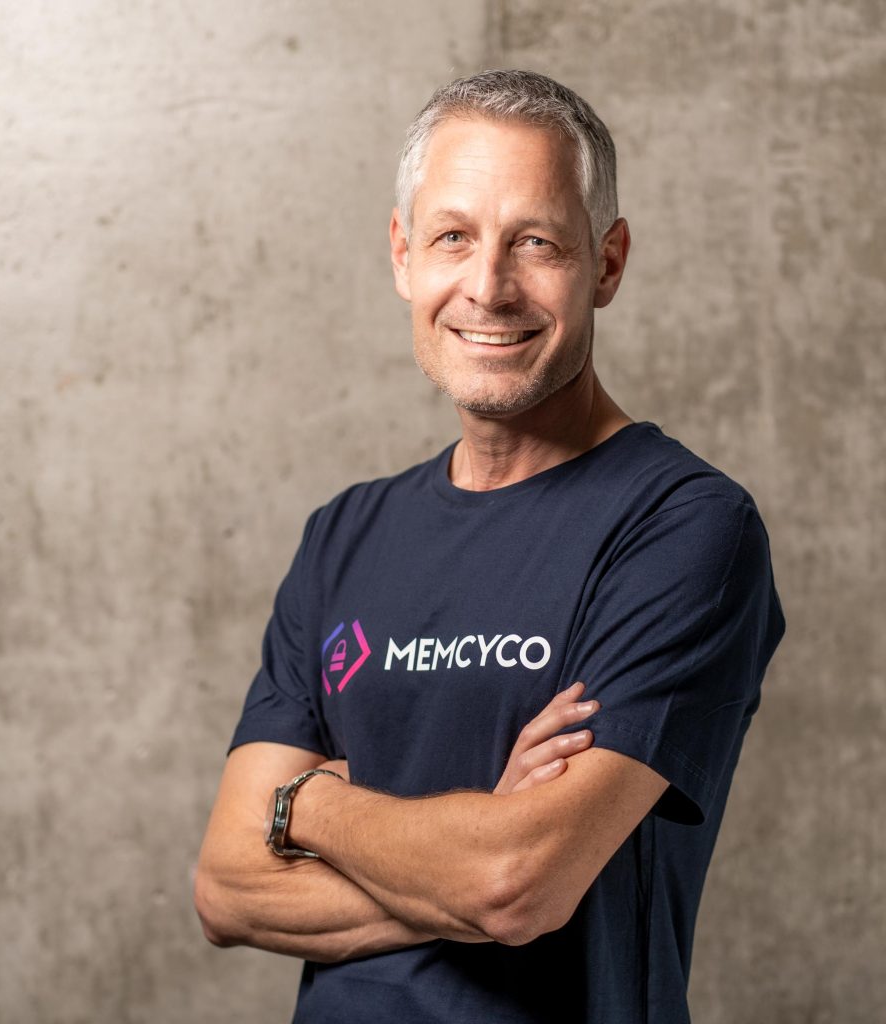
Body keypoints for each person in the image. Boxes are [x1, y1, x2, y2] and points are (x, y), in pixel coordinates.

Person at [194, 69, 784, 1024]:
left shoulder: (684, 528)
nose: (488, 287)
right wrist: (466, 851)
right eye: (453, 236)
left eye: (537, 242)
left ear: (608, 262)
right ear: (402, 255)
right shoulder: (345, 534)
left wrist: (308, 808)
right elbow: (227, 888)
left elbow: (516, 883)